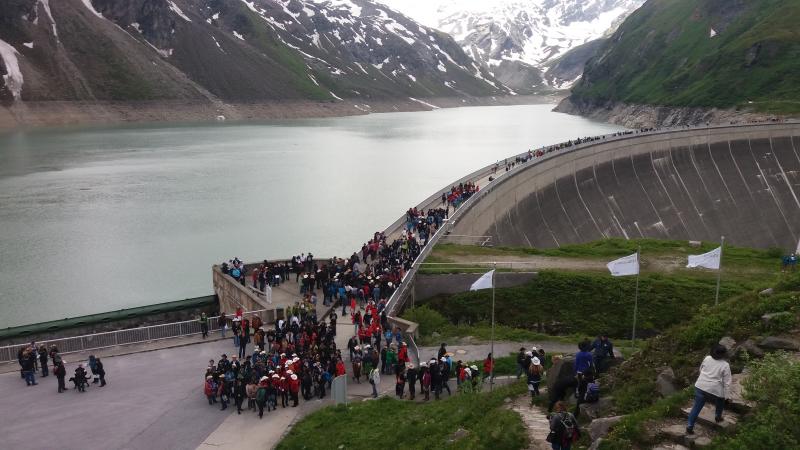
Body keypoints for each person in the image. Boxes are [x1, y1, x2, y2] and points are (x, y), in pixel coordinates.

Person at [686, 344, 732, 434]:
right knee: (721, 399)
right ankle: (718, 416)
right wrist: (727, 397)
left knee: (696, 408)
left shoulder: (707, 358)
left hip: (700, 386)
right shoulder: (725, 365)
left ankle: (689, 426)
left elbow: (701, 370)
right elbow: (727, 383)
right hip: (714, 389)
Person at [574, 340, 594, 417]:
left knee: (581, 388)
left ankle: (578, 395)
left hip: (579, 373)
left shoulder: (578, 354)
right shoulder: (589, 354)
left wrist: (575, 373)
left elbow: (576, 364)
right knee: (588, 388)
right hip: (587, 374)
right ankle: (585, 402)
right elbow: (591, 365)